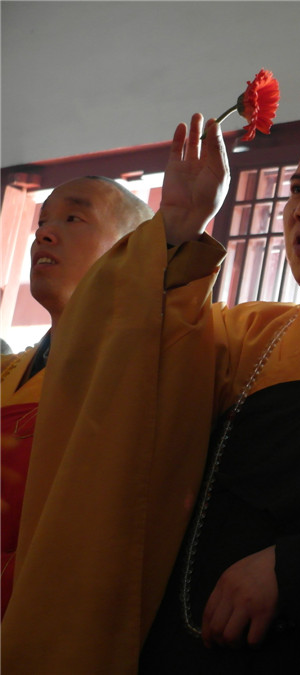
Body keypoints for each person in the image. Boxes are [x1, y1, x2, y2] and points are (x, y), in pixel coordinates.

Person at [1, 115, 300, 675]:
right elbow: (128, 365)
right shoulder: (252, 333)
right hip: (191, 641)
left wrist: (298, 567)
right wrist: (180, 226)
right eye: (297, 189)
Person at [0, 176, 152, 618]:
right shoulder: (9, 370)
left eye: (73, 218)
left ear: (132, 252)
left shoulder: (139, 371)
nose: (44, 234)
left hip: (54, 613)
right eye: (43, 221)